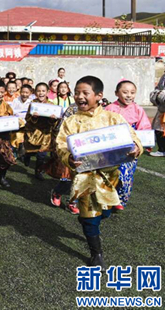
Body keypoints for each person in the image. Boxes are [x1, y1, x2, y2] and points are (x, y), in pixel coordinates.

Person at [56, 76, 142, 268]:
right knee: (90, 217)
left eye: (85, 93)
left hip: (109, 178)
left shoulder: (113, 118)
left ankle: (92, 221)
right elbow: (61, 145)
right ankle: (97, 254)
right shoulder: (71, 121)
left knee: (105, 213)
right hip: (84, 177)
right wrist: (68, 157)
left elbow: (133, 137)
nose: (79, 97)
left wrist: (136, 147)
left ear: (99, 96)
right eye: (77, 92)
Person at [105, 80, 151, 210]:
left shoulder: (138, 109)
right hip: (113, 149)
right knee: (112, 174)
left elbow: (144, 128)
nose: (129, 95)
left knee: (126, 175)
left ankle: (120, 200)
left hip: (131, 149)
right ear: (116, 93)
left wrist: (139, 144)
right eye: (125, 92)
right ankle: (108, 198)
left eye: (132, 92)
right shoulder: (110, 108)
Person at [23, 83, 59, 181]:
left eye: (43, 91)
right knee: (31, 151)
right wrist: (33, 117)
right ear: (35, 92)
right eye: (39, 91)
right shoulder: (33, 104)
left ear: (47, 92)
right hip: (33, 132)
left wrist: (52, 119)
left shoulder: (51, 105)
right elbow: (27, 118)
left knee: (42, 155)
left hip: (45, 133)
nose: (41, 93)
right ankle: (27, 155)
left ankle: (38, 171)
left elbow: (55, 122)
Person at [149, 71, 165, 156]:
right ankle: (161, 149)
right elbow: (158, 89)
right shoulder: (163, 77)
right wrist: (157, 95)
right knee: (159, 128)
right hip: (162, 109)